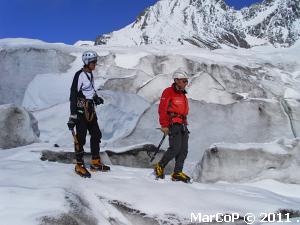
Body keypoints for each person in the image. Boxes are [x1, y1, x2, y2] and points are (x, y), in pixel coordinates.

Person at [67, 50, 110, 178]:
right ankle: (79, 165)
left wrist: (96, 97)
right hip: (81, 112)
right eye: (93, 62)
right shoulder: (79, 75)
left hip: (90, 110)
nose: (95, 64)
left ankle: (95, 162)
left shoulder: (89, 74)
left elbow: (89, 89)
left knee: (96, 134)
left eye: (95, 62)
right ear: (87, 62)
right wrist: (73, 115)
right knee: (80, 138)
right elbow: (73, 95)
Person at [154, 68, 191, 183]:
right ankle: (160, 166)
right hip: (173, 123)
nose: (186, 83)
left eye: (186, 81)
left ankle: (177, 173)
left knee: (183, 150)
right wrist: (164, 125)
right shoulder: (168, 92)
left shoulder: (182, 94)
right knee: (175, 148)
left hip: (183, 123)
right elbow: (162, 109)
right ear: (176, 80)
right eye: (184, 81)